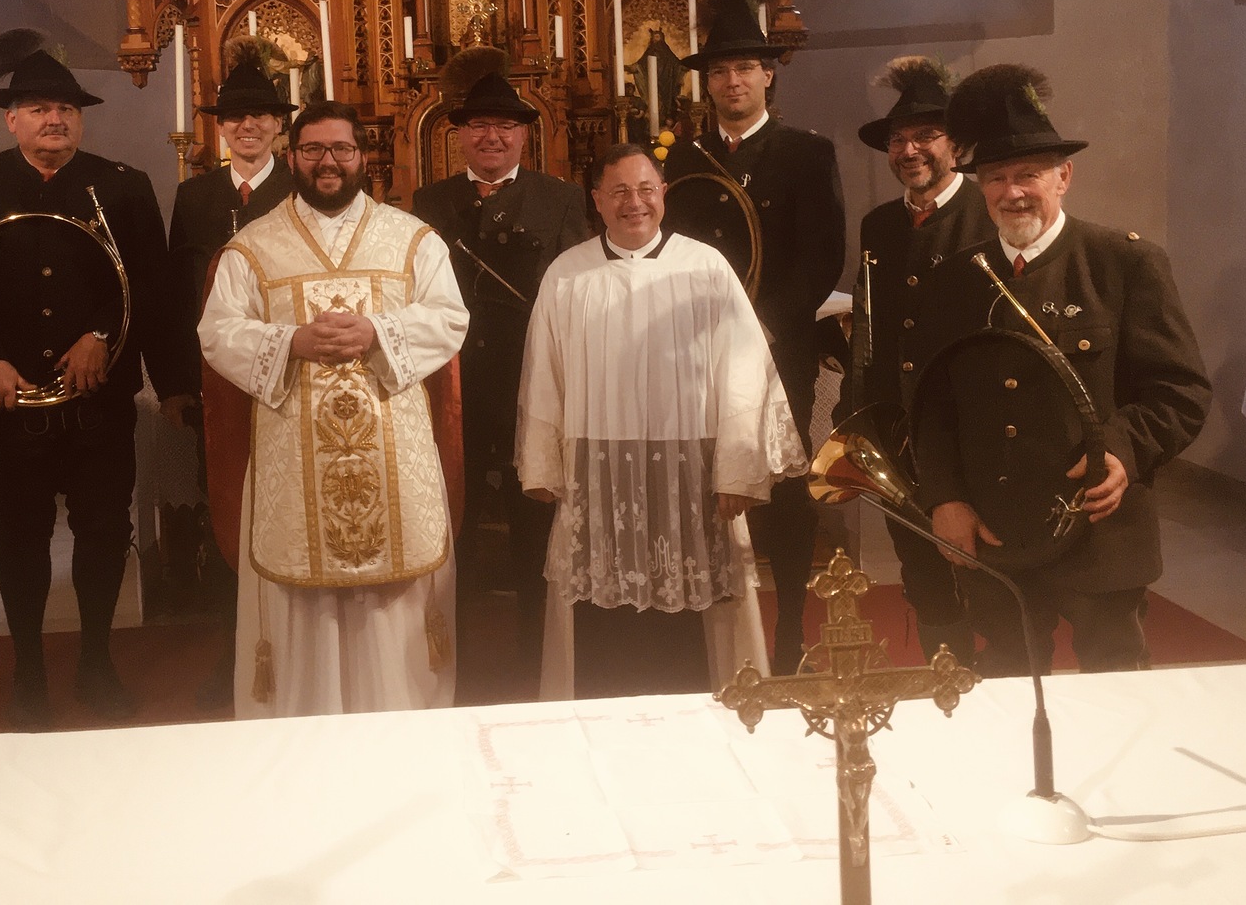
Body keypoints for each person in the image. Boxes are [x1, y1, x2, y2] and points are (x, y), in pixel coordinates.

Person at [910, 64, 1211, 675]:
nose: (1013, 192)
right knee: (1006, 689)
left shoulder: (1124, 264)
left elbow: (1180, 390)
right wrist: (945, 497)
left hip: (1100, 529)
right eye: (997, 177)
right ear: (980, 186)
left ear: (1064, 177)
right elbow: (931, 406)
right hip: (995, 528)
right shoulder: (953, 281)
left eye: (1029, 174)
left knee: (1116, 692)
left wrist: (1124, 450)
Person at [0, 30, 175, 728]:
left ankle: (96, 660)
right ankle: (28, 671)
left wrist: (101, 335)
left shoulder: (123, 185)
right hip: (7, 402)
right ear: (11, 119)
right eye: (39, 109)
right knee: (19, 535)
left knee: (103, 531)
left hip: (98, 400)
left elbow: (150, 285)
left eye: (67, 108)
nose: (55, 119)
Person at [199, 101, 468, 716]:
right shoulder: (252, 247)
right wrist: (291, 341)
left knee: (395, 606)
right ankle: (305, 730)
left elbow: (450, 318)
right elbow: (217, 333)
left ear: (362, 156)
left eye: (341, 149)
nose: (328, 162)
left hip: (393, 456)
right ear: (292, 156)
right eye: (313, 150)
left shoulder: (413, 240)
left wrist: (378, 333)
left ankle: (400, 727)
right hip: (293, 458)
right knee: (302, 603)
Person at [516, 144, 803, 699]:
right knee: (603, 624)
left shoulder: (705, 267)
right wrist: (542, 464)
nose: (635, 203)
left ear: (664, 194)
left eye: (646, 189)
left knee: (697, 624)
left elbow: (744, 370)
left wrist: (738, 470)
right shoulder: (568, 274)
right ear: (596, 200)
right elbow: (543, 373)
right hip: (597, 475)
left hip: (691, 473)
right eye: (619, 191)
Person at [663, 0, 845, 672]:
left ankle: (790, 632)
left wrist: (764, 328)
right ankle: (705, 633)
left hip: (776, 349)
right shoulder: (682, 159)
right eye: (719, 70)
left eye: (745, 67)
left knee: (783, 491)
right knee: (701, 482)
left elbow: (822, 255)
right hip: (694, 354)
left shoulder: (807, 152)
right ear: (705, 83)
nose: (732, 81)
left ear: (769, 74)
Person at [410, 72, 590, 675]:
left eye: (506, 126)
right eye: (480, 125)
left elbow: (577, 294)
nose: (492, 137)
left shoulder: (560, 198)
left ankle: (540, 662)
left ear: (524, 136)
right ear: (459, 135)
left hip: (530, 391)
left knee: (534, 531)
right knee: (452, 531)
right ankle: (451, 665)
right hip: (453, 392)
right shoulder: (429, 202)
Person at [842, 57, 994, 660]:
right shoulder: (879, 224)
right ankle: (944, 685)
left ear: (956, 145)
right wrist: (859, 421)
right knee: (924, 580)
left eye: (926, 135)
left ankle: (997, 690)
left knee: (988, 581)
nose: (910, 150)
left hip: (974, 438)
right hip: (898, 438)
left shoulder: (989, 212)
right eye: (898, 139)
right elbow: (871, 326)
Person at [160, 51, 295, 694]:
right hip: (214, 382)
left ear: (279, 126)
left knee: (286, 506)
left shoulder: (299, 191)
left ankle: (292, 644)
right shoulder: (195, 197)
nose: (248, 126)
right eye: (236, 117)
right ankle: (236, 648)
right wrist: (174, 384)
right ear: (220, 127)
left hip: (287, 379)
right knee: (225, 509)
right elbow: (175, 294)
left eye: (261, 116)